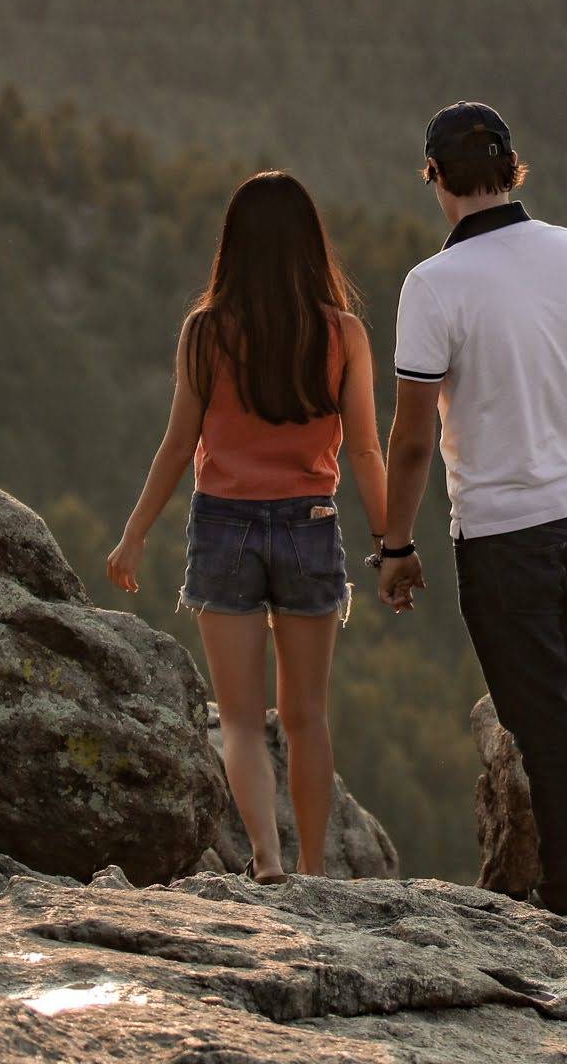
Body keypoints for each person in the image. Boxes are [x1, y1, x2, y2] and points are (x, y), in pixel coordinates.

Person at [376, 102, 567, 916]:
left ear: (435, 178)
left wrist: (393, 545)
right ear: (511, 167)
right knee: (565, 693)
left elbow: (413, 439)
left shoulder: (433, 286)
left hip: (500, 529)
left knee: (540, 715)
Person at [107, 171, 387, 884]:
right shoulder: (343, 333)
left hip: (224, 527)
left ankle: (264, 856)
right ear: (309, 247)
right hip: (309, 523)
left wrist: (135, 531)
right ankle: (316, 868)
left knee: (237, 719)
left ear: (231, 247)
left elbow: (177, 445)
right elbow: (362, 450)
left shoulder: (205, 333)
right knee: (306, 716)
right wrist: (392, 541)